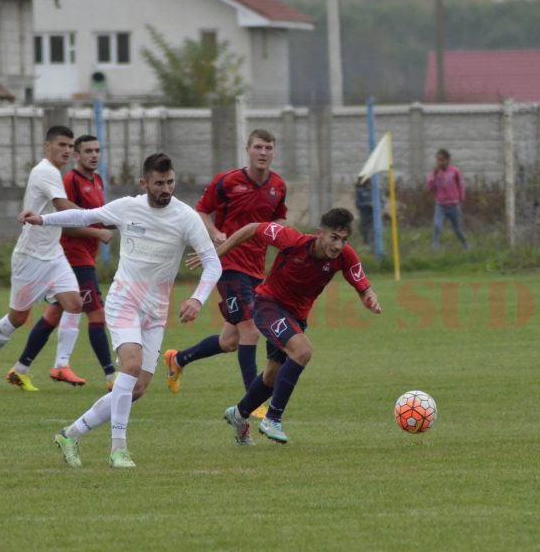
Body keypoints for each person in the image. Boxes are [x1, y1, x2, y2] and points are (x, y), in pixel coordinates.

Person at [19, 152, 222, 468]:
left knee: (136, 388)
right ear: (145, 183)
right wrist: (43, 219)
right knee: (130, 365)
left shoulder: (186, 217)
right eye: (159, 183)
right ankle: (118, 450)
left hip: (157, 310)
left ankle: (70, 434)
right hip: (125, 299)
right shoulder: (128, 207)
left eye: (170, 182)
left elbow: (212, 263)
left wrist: (197, 298)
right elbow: (84, 216)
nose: (166, 188)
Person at [211, 208, 381, 445]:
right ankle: (273, 418)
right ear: (319, 233)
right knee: (302, 351)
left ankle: (238, 415)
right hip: (267, 304)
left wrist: (369, 298)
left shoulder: (345, 256)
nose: (338, 246)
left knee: (272, 375)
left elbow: (363, 286)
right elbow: (254, 229)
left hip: (296, 317)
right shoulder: (292, 240)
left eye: (344, 240)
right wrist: (217, 254)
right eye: (334, 238)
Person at [163, 129, 287, 414]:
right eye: (258, 147)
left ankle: (178, 359)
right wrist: (216, 232)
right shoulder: (228, 181)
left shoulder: (278, 185)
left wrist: (278, 235)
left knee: (230, 341)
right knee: (251, 331)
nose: (263, 152)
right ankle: (253, 401)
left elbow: (279, 216)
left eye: (269, 147)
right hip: (227, 266)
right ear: (248, 149)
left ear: (273, 151)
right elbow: (202, 211)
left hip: (257, 269)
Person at [0, 125, 82, 393]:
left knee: (75, 303)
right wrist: (101, 216)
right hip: (30, 257)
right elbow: (62, 208)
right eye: (62, 145)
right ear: (48, 146)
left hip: (53, 254)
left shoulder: (54, 173)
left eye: (70, 146)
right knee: (18, 318)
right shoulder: (45, 171)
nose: (67, 150)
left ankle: (60, 364)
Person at [8, 135, 117, 390]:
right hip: (72, 257)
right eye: (88, 151)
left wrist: (120, 220)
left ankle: (21, 368)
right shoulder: (70, 181)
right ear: (77, 156)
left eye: (98, 150)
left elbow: (96, 216)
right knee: (96, 313)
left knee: (54, 313)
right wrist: (97, 232)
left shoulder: (97, 180)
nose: (94, 155)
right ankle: (112, 377)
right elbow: (64, 223)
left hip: (84, 256)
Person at [426, 148, 468, 250]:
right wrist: (434, 176)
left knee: (457, 229)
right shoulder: (434, 173)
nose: (440, 162)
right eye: (438, 160)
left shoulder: (455, 171)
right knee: (437, 226)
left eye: (442, 160)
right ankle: (435, 247)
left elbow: (461, 184)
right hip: (440, 205)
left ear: (448, 160)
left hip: (453, 205)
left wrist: (461, 198)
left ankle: (466, 245)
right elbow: (430, 188)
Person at [355, 178, 374, 246]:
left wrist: (378, 206)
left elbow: (382, 202)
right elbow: (358, 204)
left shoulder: (375, 191)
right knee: (363, 229)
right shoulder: (361, 191)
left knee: (372, 231)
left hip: (373, 215)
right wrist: (368, 204)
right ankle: (366, 244)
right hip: (364, 215)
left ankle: (371, 246)